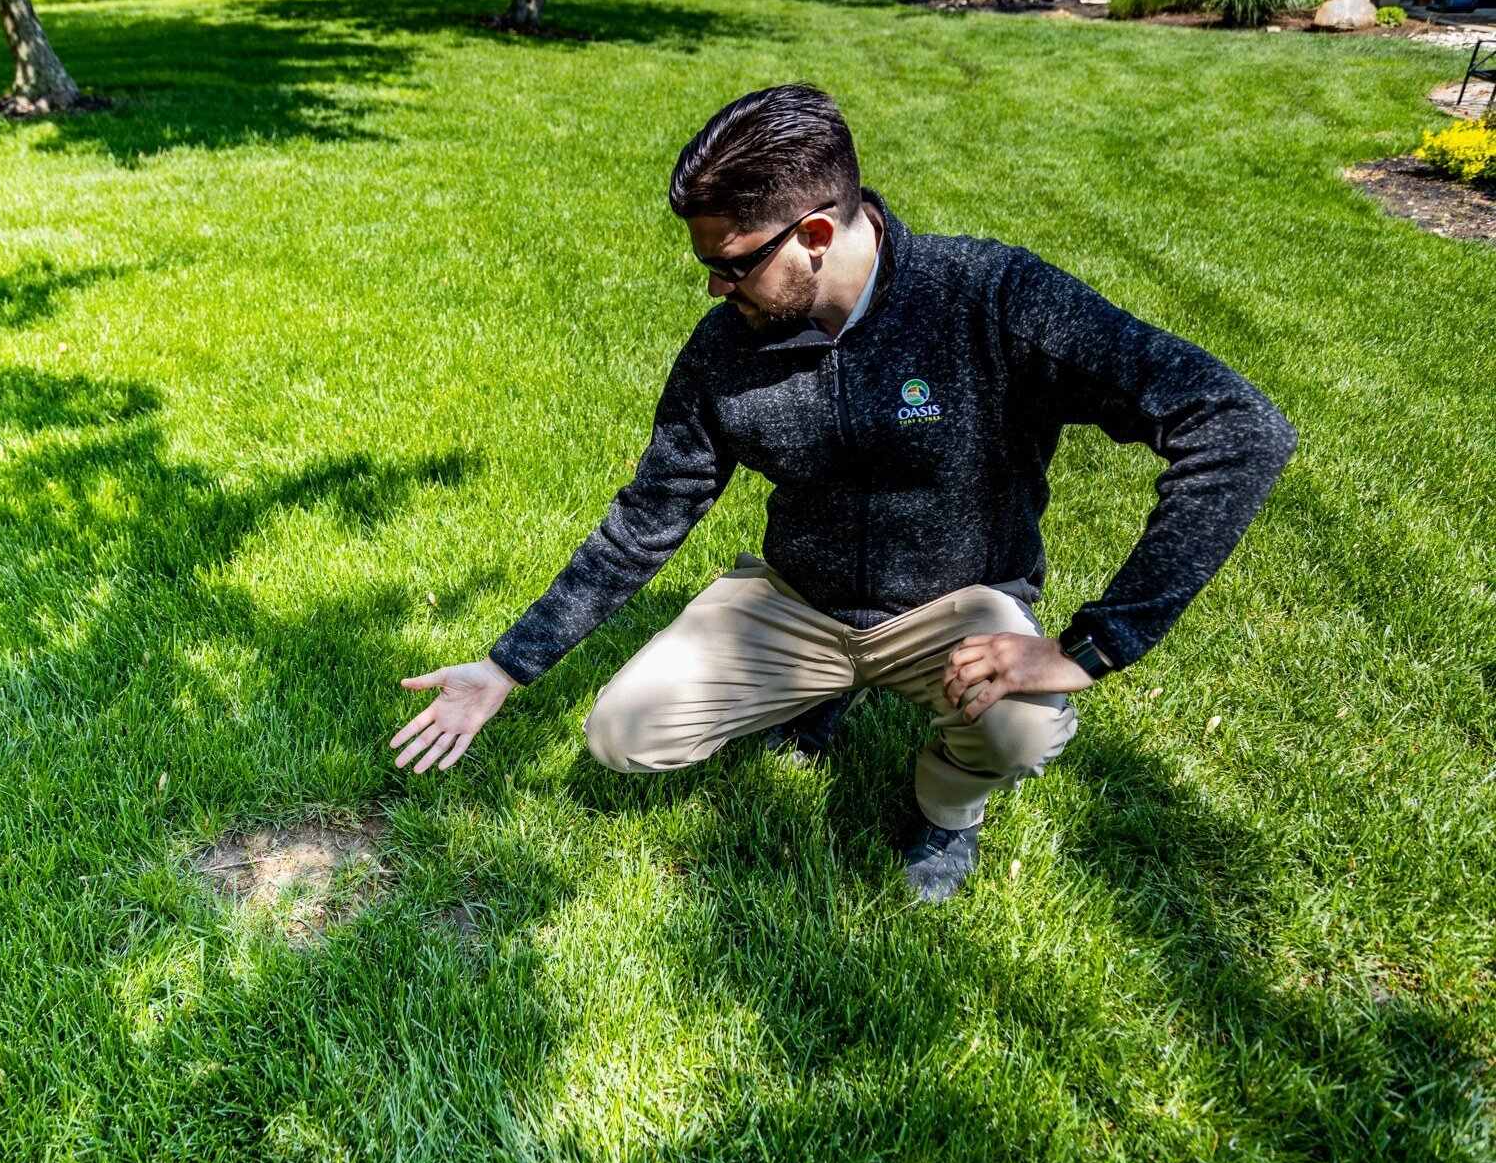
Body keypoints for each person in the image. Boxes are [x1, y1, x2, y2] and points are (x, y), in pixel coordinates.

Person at [390, 84, 1297, 901]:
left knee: (1022, 730)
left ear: (816, 235)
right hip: (797, 599)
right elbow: (649, 515)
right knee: (623, 735)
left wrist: (1094, 646)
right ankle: (820, 688)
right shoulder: (726, 348)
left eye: (733, 262)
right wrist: (507, 666)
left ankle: (948, 815)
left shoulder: (990, 299)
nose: (714, 285)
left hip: (954, 607)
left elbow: (1238, 428)